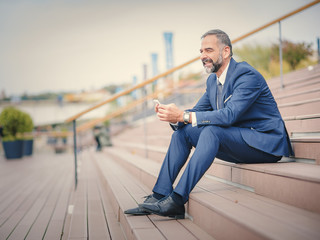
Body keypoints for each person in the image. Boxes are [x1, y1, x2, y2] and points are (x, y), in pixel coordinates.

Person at [124, 29, 293, 219]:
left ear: (226, 52)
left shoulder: (246, 75)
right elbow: (195, 113)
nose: (203, 56)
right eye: (201, 51)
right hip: (239, 141)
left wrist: (183, 116)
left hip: (265, 144)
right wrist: (174, 117)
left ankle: (177, 200)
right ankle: (160, 194)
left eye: (209, 50)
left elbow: (229, 115)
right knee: (184, 132)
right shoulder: (213, 81)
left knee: (212, 131)